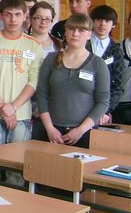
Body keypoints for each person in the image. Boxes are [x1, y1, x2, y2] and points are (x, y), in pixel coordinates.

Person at [0, 0, 43, 184]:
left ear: (25, 16)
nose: (13, 19)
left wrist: (13, 107)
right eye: (8, 14)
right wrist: (2, 106)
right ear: (1, 16)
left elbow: (34, 80)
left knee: (17, 171)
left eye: (17, 14)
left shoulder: (33, 45)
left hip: (21, 116)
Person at [37, 14, 110, 148]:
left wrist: (81, 130)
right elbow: (41, 94)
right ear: (65, 31)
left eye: (81, 30)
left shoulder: (98, 63)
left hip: (85, 133)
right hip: (52, 131)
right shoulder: (51, 59)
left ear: (89, 34)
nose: (75, 34)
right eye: (71, 29)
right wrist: (50, 128)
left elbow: (103, 101)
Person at [28, 1, 63, 141]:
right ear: (30, 18)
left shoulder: (60, 45)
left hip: (53, 105)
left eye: (47, 19)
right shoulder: (21, 42)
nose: (43, 22)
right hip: (28, 102)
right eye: (38, 18)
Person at [87, 5, 124, 124]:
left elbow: (117, 85)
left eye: (107, 21)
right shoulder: (83, 43)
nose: (102, 24)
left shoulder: (116, 50)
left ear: (113, 24)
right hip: (80, 101)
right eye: (98, 19)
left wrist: (106, 110)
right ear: (92, 22)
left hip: (103, 106)